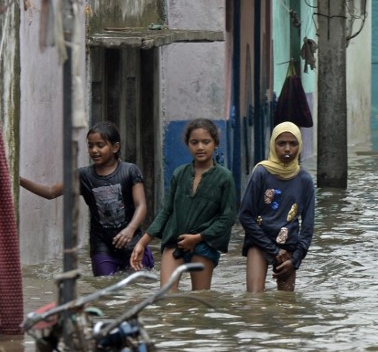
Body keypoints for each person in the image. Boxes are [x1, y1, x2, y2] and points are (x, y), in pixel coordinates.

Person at [20, 121, 153, 276]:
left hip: (132, 242)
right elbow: (51, 192)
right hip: (102, 246)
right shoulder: (83, 176)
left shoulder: (130, 171)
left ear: (115, 147)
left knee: (137, 287)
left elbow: (141, 205)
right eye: (90, 146)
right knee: (104, 288)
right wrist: (19, 180)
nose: (94, 150)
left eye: (100, 145)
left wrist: (130, 230)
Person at [130, 118, 237, 291]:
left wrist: (198, 238)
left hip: (204, 244)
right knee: (166, 300)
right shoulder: (179, 174)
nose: (200, 147)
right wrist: (142, 243)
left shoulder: (224, 177)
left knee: (200, 300)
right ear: (188, 144)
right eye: (194, 142)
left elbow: (228, 217)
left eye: (206, 142)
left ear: (216, 144)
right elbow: (166, 212)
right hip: (175, 242)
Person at [238, 122, 315, 293]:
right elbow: (245, 215)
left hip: (288, 248)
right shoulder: (261, 173)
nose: (287, 149)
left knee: (286, 306)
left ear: (299, 146)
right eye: (281, 144)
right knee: (254, 301)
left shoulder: (304, 180)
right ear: (273, 145)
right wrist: (273, 249)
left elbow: (308, 227)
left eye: (293, 144)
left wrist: (295, 260)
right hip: (259, 242)